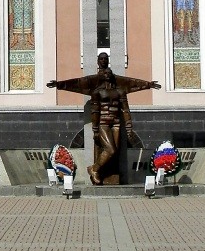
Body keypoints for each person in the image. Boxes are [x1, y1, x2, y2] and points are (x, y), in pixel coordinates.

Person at [48, 53, 159, 185]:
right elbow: (77, 83)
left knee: (115, 152)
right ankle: (94, 169)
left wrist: (148, 85)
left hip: (116, 122)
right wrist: (59, 85)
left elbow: (130, 89)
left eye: (109, 75)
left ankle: (102, 172)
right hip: (104, 122)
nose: (107, 77)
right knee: (110, 150)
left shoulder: (120, 91)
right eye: (104, 75)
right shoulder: (96, 92)